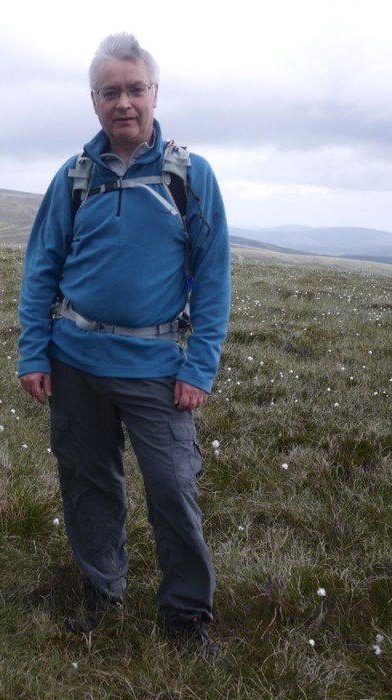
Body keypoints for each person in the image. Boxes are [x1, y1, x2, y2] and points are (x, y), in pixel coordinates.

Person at [17, 32, 232, 657]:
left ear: (155, 94)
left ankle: (187, 616)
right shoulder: (74, 176)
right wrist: (34, 350)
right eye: (111, 92)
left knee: (171, 486)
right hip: (75, 359)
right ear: (94, 101)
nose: (125, 103)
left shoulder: (188, 176)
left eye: (136, 89)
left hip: (158, 369)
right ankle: (99, 589)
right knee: (88, 481)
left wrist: (201, 365)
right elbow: (41, 268)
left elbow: (213, 275)